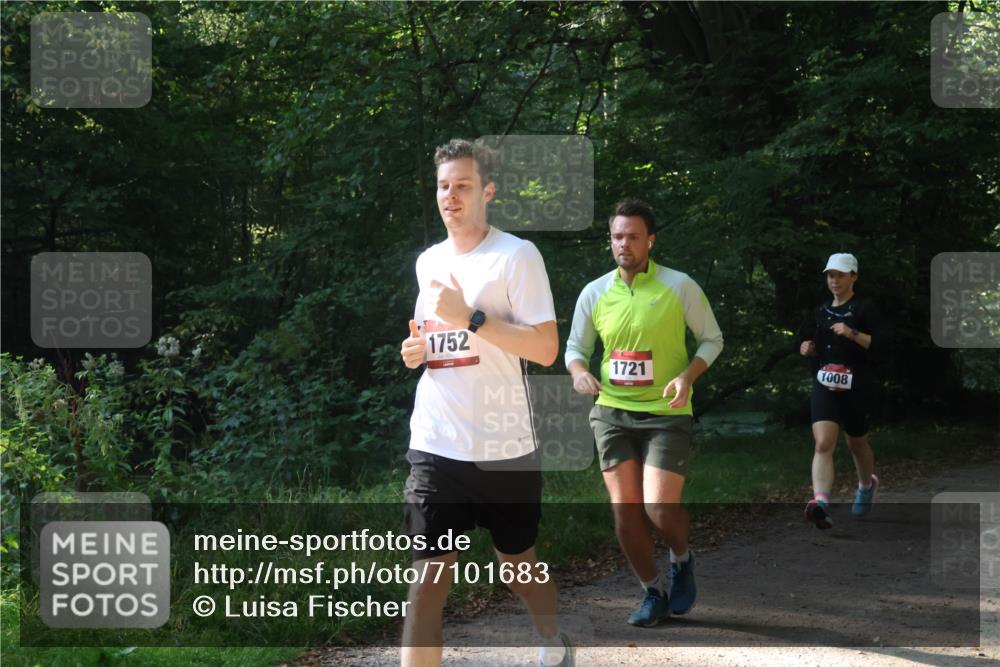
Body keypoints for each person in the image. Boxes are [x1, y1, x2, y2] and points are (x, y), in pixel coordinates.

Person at [399, 139, 572, 667]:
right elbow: (438, 340)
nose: (450, 196)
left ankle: (551, 638)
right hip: (435, 442)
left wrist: (471, 315)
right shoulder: (428, 261)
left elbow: (545, 349)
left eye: (463, 186)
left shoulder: (516, 256)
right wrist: (417, 351)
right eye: (443, 186)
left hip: (504, 445)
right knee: (428, 580)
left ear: (488, 192)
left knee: (516, 566)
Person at [565, 199, 724, 628]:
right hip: (612, 413)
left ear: (650, 240)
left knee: (658, 507)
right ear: (610, 241)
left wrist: (688, 377)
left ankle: (682, 558)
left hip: (667, 413)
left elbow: (712, 340)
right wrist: (580, 373)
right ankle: (652, 590)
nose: (625, 244)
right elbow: (575, 350)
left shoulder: (679, 285)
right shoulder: (595, 292)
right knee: (625, 511)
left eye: (634, 236)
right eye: (618, 236)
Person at [799, 253, 885, 530]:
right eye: (830, 275)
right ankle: (820, 502)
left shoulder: (864, 309)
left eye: (840, 275)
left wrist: (852, 333)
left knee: (856, 443)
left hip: (856, 385)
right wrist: (806, 348)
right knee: (823, 443)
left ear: (854, 277)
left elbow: (883, 343)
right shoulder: (821, 311)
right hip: (825, 383)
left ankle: (866, 485)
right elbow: (812, 342)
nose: (834, 280)